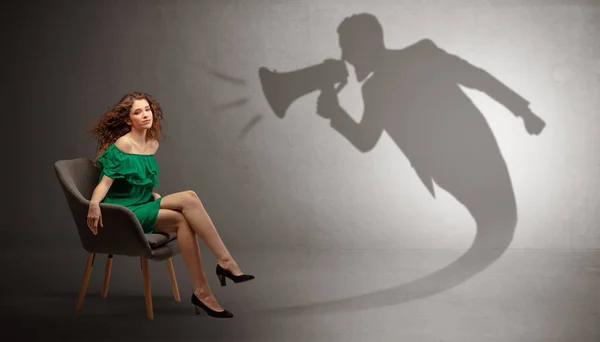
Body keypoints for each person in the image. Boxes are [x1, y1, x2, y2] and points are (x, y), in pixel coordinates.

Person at [87, 91, 254, 318]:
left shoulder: (152, 144)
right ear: (128, 120)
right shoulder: (124, 144)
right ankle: (225, 261)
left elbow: (136, 179)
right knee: (189, 197)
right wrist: (94, 204)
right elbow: (106, 184)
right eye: (138, 112)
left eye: (147, 109)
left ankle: (203, 292)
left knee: (183, 221)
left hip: (142, 203)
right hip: (123, 212)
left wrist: (152, 195)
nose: (145, 115)